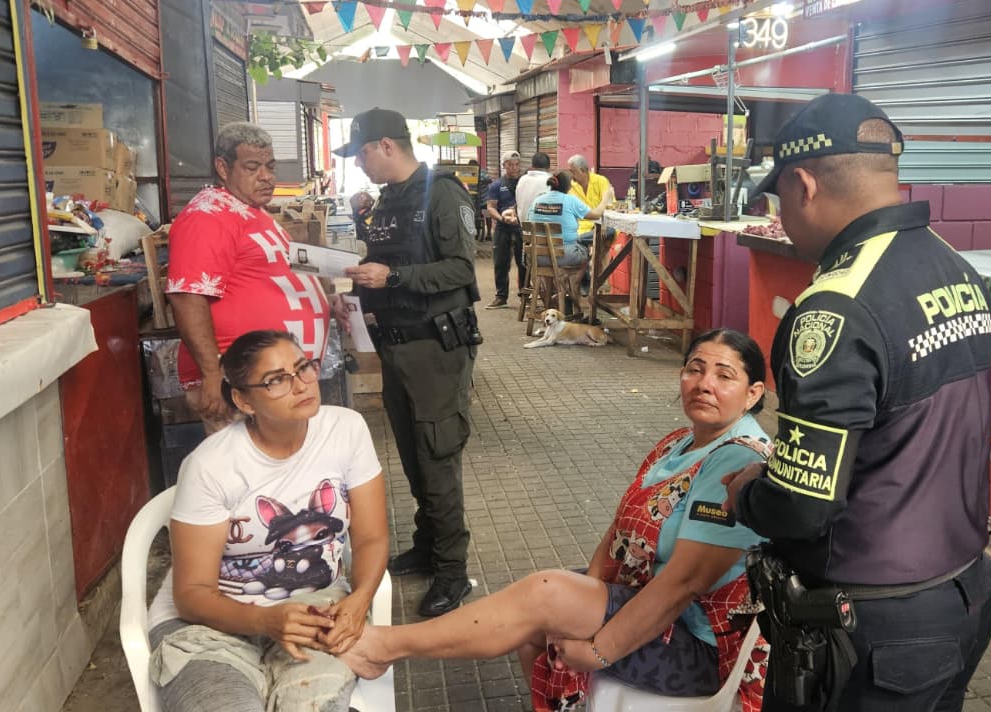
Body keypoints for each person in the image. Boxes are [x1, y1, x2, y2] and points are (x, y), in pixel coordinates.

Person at [721, 93, 991, 712]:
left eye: (777, 201)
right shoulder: (954, 265)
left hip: (872, 627)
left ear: (803, 185)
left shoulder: (836, 306)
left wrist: (745, 491)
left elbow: (802, 507)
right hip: (965, 592)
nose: (781, 220)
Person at [339, 329, 773, 712]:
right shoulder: (679, 442)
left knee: (545, 596)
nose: (704, 384)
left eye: (724, 375)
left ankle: (387, 647)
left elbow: (685, 584)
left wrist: (599, 651)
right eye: (694, 369)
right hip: (651, 603)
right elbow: (619, 528)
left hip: (701, 645)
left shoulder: (738, 458)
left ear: (753, 393)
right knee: (541, 614)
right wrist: (591, 592)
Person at [146, 330, 389, 712]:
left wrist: (359, 601)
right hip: (211, 624)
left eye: (303, 368)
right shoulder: (211, 466)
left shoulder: (346, 430)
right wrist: (264, 621)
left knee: (317, 703)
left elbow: (372, 537)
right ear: (244, 400)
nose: (301, 385)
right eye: (276, 380)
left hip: (316, 609)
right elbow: (192, 594)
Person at [334, 108, 482, 617]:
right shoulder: (387, 200)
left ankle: (452, 571)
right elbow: (394, 256)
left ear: (386, 146)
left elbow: (461, 268)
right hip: (396, 347)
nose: (359, 165)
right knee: (413, 454)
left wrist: (393, 279)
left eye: (360, 154)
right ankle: (427, 545)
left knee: (437, 457)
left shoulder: (441, 192)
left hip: (435, 351)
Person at [166, 122, 331, 433]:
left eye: (270, 166)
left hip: (275, 384)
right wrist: (213, 374)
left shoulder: (250, 211)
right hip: (240, 384)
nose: (267, 176)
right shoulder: (207, 216)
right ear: (223, 168)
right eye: (253, 167)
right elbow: (187, 295)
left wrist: (329, 302)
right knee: (251, 476)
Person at [527, 171, 608, 269]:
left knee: (580, 241)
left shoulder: (537, 200)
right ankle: (578, 284)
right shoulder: (570, 200)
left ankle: (555, 283)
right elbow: (596, 215)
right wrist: (605, 200)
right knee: (584, 250)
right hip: (563, 255)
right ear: (568, 187)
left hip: (536, 256)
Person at [484, 150, 526, 309]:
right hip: (502, 228)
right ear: (504, 165)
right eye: (510, 164)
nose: (514, 168)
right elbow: (491, 207)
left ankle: (525, 295)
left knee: (524, 262)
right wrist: (502, 218)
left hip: (521, 228)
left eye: (517, 164)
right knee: (501, 263)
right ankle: (501, 297)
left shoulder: (524, 183)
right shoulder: (496, 185)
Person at [565, 154, 615, 241]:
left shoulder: (601, 181)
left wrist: (604, 222)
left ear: (582, 170)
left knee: (611, 232)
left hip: (601, 225)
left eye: (572, 171)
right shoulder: (570, 186)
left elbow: (610, 204)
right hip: (580, 228)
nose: (570, 174)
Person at [515, 151, 552, 223]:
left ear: (532, 166)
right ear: (549, 167)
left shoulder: (522, 179)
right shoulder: (550, 180)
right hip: (544, 230)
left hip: (524, 228)